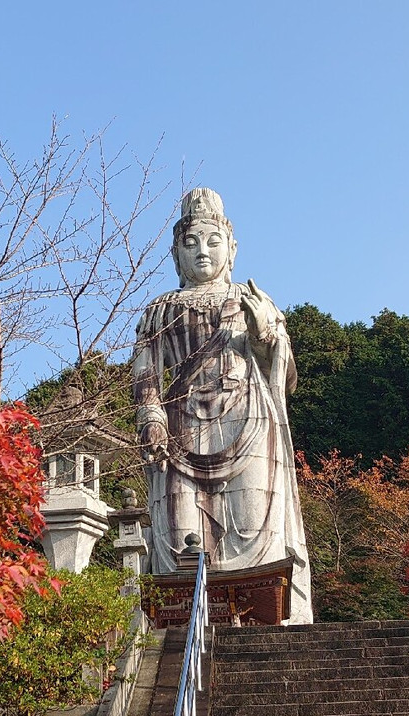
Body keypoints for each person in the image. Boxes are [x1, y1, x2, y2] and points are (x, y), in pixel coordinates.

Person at [132, 187, 313, 623]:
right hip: (179, 430)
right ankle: (184, 634)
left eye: (213, 241)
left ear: (232, 247)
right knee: (181, 541)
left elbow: (285, 379)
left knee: (254, 529)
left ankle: (267, 623)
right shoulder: (159, 310)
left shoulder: (253, 300)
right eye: (190, 243)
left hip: (248, 420)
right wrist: (152, 418)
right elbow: (144, 379)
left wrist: (266, 335)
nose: (202, 252)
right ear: (176, 254)